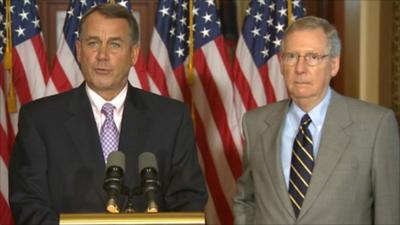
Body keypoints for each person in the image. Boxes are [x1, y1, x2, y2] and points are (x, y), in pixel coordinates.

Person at [9, 4, 207, 224]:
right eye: (93, 43)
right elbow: (28, 204)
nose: (102, 55)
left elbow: (188, 200)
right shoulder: (39, 119)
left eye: (114, 44)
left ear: (133, 54)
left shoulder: (171, 118)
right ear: (79, 49)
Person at [233, 16, 399, 224]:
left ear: (334, 65)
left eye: (312, 57)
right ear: (283, 64)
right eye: (292, 56)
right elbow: (246, 201)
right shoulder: (255, 123)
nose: (300, 68)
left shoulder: (375, 126)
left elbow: (389, 214)